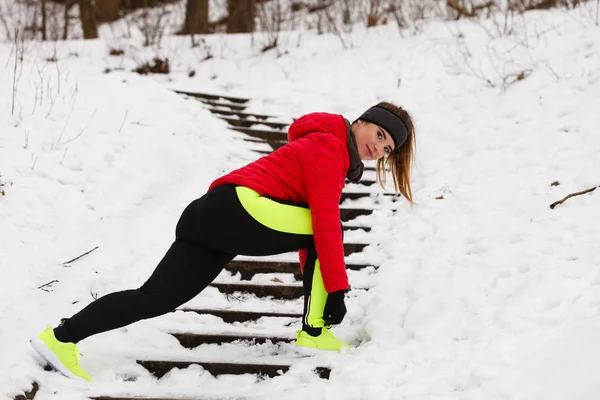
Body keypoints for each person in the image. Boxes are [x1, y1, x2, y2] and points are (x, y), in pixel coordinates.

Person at [30, 101, 416, 381]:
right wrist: (336, 289)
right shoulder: (330, 146)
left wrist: (319, 281)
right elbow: (324, 223)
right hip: (239, 207)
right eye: (378, 135)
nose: (378, 148)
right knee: (326, 228)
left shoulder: (325, 145)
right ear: (361, 121)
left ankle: (61, 337)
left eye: (387, 149)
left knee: (154, 299)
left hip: (209, 216)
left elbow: (308, 233)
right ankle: (314, 334)